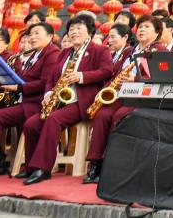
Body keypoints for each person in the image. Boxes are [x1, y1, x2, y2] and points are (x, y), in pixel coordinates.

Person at [21, 16, 114, 185]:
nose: (74, 32)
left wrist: (82, 76)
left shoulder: (100, 50)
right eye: (71, 29)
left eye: (79, 28)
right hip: (60, 100)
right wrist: (48, 93)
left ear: (89, 32)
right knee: (31, 124)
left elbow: (107, 71)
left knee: (53, 119)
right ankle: (31, 167)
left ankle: (43, 169)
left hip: (82, 101)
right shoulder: (64, 52)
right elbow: (51, 78)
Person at [83, 15, 167, 184]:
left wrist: (135, 80)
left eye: (147, 27)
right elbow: (114, 74)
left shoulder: (161, 51)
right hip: (121, 94)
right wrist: (103, 91)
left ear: (157, 32)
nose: (142, 30)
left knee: (119, 115)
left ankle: (113, 164)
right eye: (140, 27)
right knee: (102, 115)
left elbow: (162, 77)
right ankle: (96, 163)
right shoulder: (129, 51)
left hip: (142, 97)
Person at [0, 23, 60, 175]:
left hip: (37, 103)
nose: (32, 37)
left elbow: (44, 83)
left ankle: (9, 163)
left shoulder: (52, 53)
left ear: (50, 36)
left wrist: (19, 87)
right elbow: (25, 78)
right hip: (27, 102)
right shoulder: (35, 54)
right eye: (31, 34)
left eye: (37, 33)